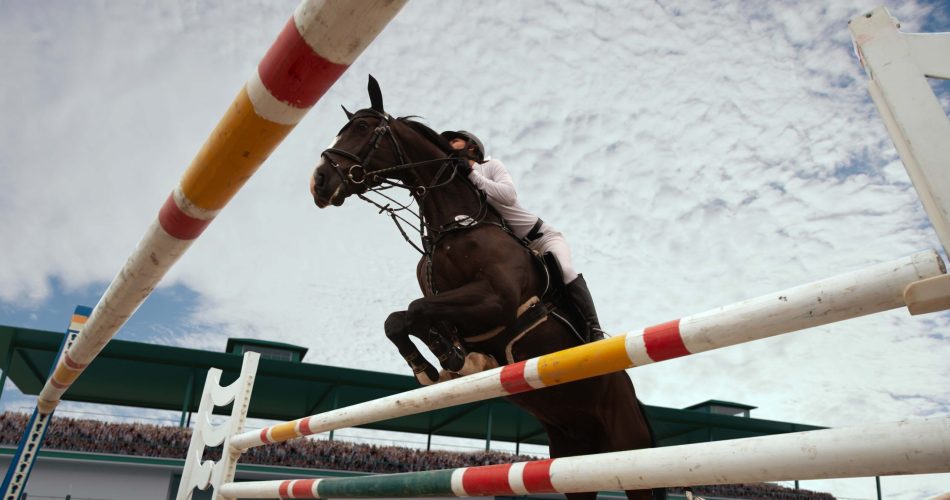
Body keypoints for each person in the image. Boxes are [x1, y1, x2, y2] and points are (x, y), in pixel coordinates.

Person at [441, 130, 605, 341]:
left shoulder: (490, 166)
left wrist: (472, 173)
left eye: (454, 140)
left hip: (542, 238)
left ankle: (595, 329)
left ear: (471, 147)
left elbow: (509, 196)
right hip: (517, 251)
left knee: (565, 270)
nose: (448, 144)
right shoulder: (461, 184)